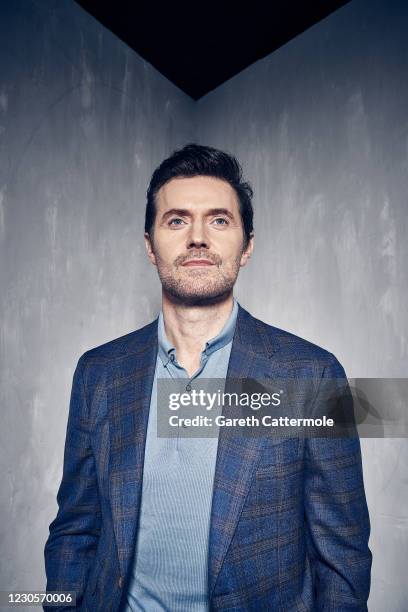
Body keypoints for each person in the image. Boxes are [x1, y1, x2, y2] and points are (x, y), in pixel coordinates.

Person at [44, 144, 372, 611]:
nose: (197, 237)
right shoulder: (98, 373)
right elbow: (75, 529)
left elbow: (343, 561)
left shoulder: (312, 375)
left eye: (219, 220)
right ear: (149, 244)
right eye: (176, 220)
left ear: (248, 246)